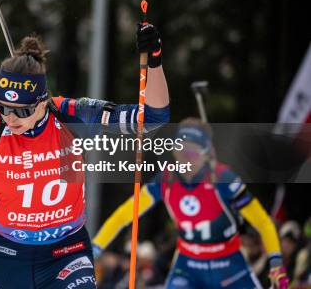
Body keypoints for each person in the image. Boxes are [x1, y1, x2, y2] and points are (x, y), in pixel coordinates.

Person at [0, 23, 170, 288]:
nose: (11, 117)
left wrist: (154, 62)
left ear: (42, 101)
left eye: (22, 111)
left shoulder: (70, 115)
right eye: (3, 106)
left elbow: (152, 118)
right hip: (5, 255)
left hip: (66, 252)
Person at [93, 118, 289, 288]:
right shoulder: (166, 180)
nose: (185, 160)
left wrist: (276, 261)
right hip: (189, 267)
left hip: (228, 266)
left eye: (193, 154)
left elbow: (263, 222)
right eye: (180, 151)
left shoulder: (223, 179)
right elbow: (123, 215)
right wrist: (95, 247)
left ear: (206, 154)